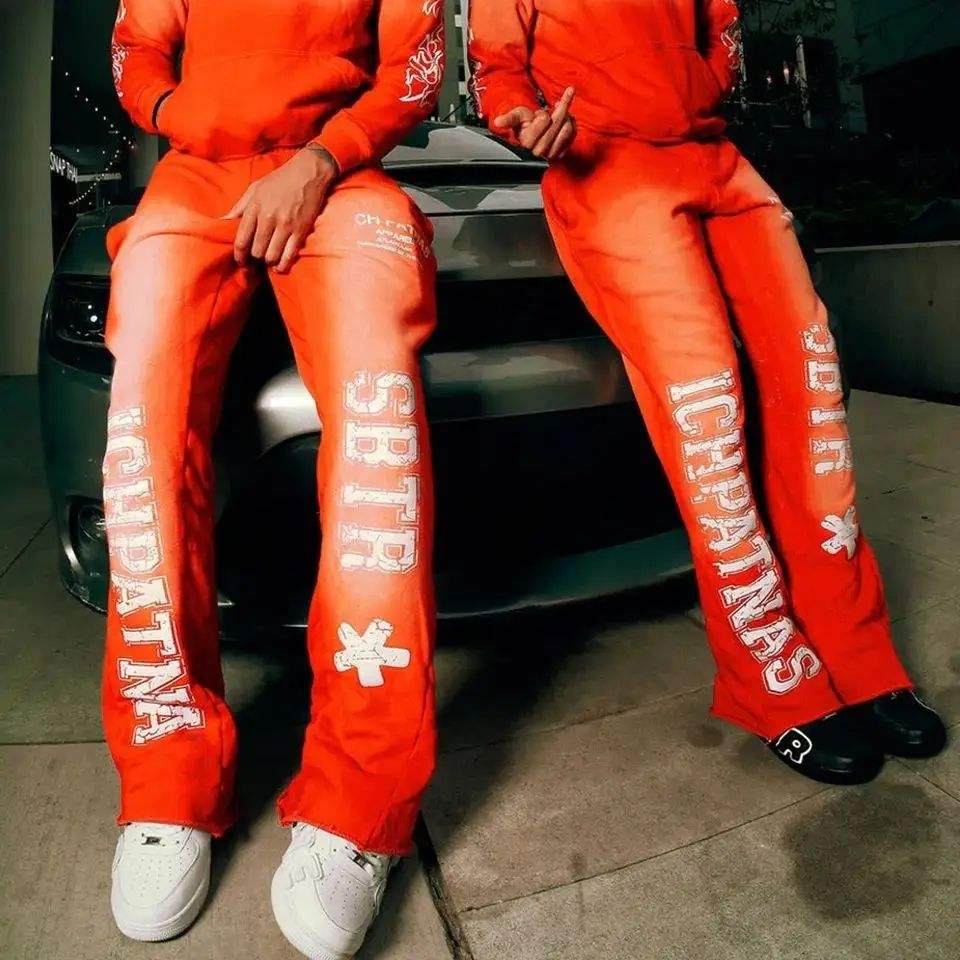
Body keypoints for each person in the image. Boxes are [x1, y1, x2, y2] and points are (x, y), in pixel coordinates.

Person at [468, 0, 947, 785]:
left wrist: (695, 86)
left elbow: (718, 29)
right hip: (606, 167)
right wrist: (524, 119)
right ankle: (776, 681)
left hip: (717, 158)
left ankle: (860, 660)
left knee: (813, 389)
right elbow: (499, 70)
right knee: (707, 411)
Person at [103, 1, 444, 955]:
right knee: (140, 427)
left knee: (380, 422)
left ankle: (360, 802)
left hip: (342, 174)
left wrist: (321, 159)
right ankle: (166, 783)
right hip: (194, 177)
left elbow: (414, 66)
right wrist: (181, 112)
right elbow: (137, 47)